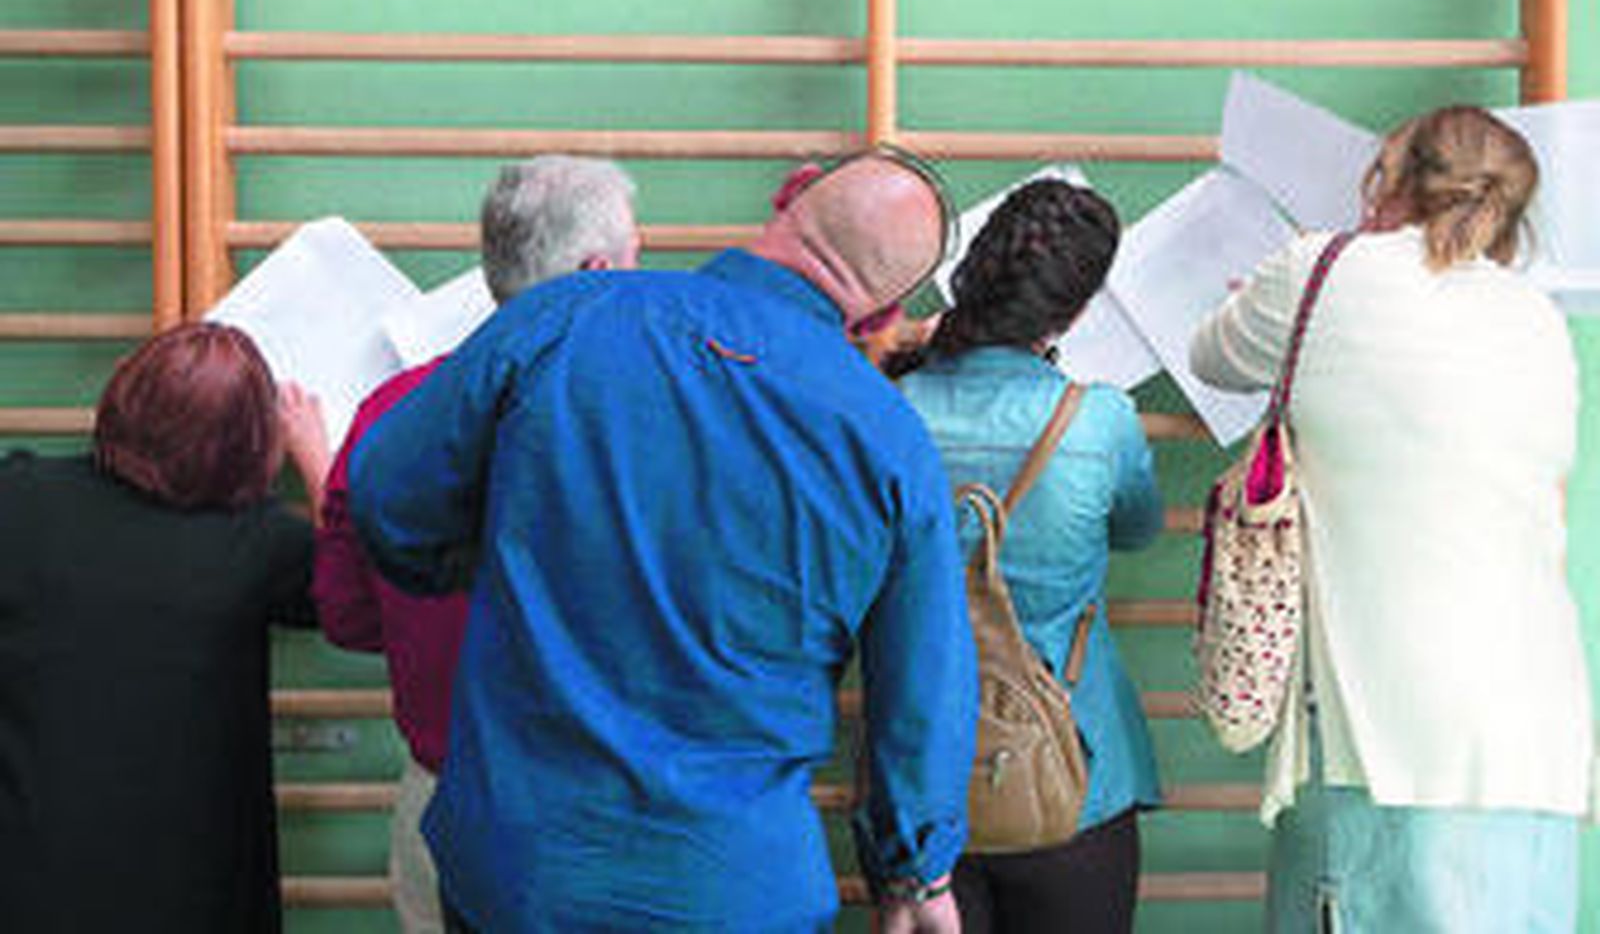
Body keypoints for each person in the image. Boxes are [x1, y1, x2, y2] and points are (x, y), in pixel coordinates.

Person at [348, 148, 977, 934]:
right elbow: (924, 690)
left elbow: (387, 497)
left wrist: (489, 557)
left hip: (522, 873)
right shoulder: (892, 440)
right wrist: (915, 871)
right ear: (884, 310)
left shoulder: (562, 317)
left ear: (789, 202)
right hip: (734, 891)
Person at [1188, 106, 1593, 932]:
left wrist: (1281, 296)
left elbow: (1212, 356)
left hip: (1381, 728)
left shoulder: (1322, 271)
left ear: (1390, 178)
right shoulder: (1540, 320)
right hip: (1537, 736)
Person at [312, 155, 641, 934]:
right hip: (606, 810)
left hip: (443, 798)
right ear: (597, 272)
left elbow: (349, 618)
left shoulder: (390, 410)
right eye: (637, 254)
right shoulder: (649, 420)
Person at [892, 178, 1165, 934]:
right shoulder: (1099, 420)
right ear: (1073, 314)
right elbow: (1137, 529)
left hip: (920, 780)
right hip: (1074, 768)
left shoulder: (890, 407)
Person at [0, 322, 329, 933]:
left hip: (28, 878)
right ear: (253, 443)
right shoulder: (261, 546)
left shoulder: (19, 497)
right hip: (192, 894)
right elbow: (358, 593)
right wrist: (316, 457)